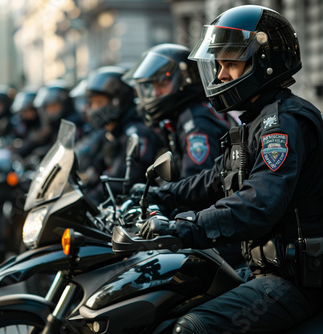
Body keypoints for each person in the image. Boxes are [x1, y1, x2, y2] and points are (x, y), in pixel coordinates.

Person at [139, 5, 323, 333]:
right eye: (220, 64)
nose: (221, 75)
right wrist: (158, 195)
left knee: (191, 328)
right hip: (266, 270)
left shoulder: (282, 123)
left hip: (297, 281)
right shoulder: (252, 123)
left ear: (264, 65)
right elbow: (213, 179)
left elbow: (259, 202)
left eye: (231, 64)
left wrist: (188, 225)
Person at [124, 43, 232, 180]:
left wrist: (159, 194)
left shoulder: (196, 121)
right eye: (152, 86)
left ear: (185, 81)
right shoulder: (178, 117)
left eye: (163, 84)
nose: (155, 93)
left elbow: (195, 181)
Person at [83, 66, 167, 204]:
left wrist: (88, 202)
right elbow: (93, 168)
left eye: (99, 102)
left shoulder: (137, 134)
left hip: (141, 210)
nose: (93, 109)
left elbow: (119, 183)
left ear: (118, 99)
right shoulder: (110, 133)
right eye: (92, 103)